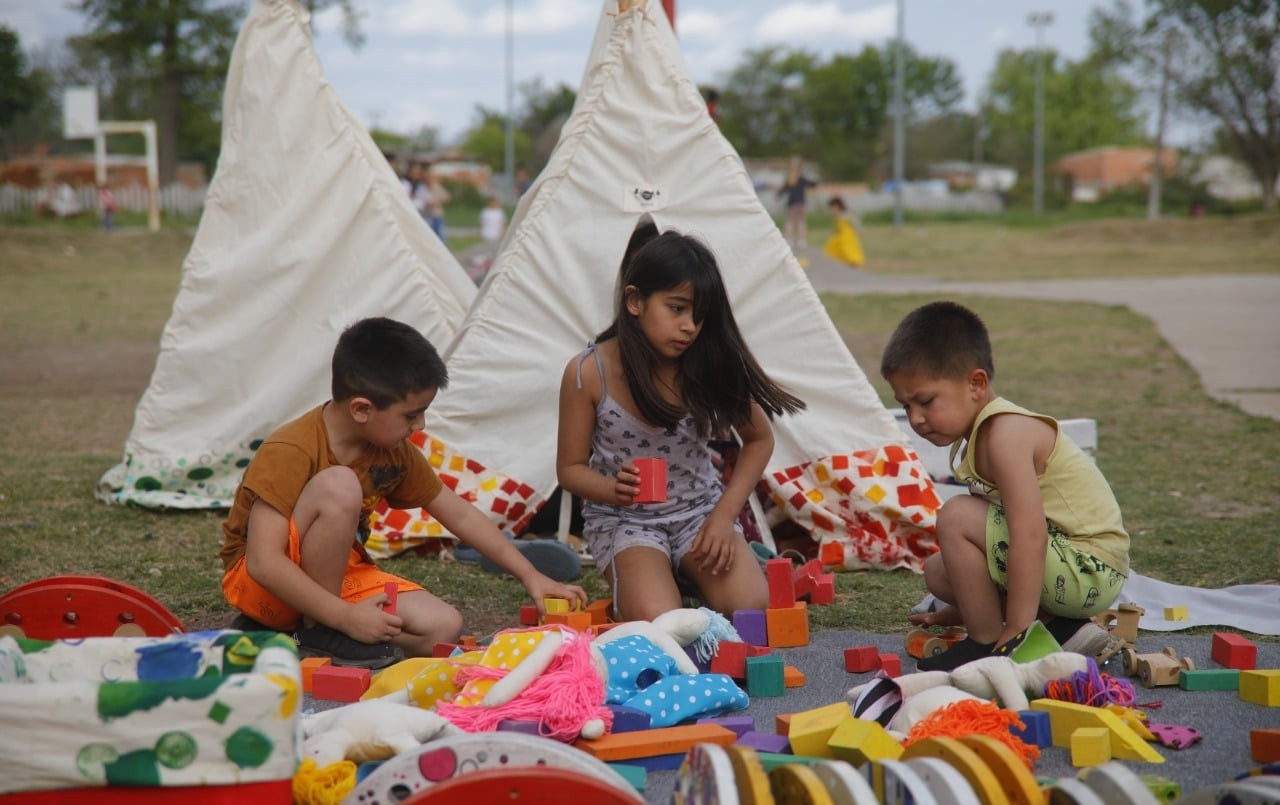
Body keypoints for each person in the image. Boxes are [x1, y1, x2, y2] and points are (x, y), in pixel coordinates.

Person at [220, 317, 587, 668]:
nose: (420, 426)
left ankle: (295, 635)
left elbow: (458, 514)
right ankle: (319, 628)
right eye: (411, 415)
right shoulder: (291, 449)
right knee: (340, 484)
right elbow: (263, 563)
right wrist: (346, 617)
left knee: (442, 627)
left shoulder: (393, 452)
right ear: (362, 409)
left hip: (331, 577)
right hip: (260, 583)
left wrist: (530, 575)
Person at [556, 226, 807, 623]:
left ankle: (688, 574)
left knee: (751, 609)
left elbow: (759, 439)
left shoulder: (706, 363)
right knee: (661, 622)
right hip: (626, 522)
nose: (690, 326)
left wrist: (724, 518)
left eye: (699, 315)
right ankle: (661, 579)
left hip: (699, 514)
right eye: (677, 308)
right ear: (635, 301)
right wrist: (613, 490)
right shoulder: (589, 373)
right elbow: (569, 470)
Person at [880, 301, 1130, 672]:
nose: (915, 419)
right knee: (939, 571)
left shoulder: (1005, 435)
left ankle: (986, 644)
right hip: (1064, 562)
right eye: (905, 405)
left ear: (976, 384)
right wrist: (959, 607)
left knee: (958, 515)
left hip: (1088, 565)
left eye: (926, 401)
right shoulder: (983, 433)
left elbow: (1028, 534)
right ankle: (1063, 630)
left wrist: (1015, 628)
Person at [777, 156, 816, 249]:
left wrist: (779, 194)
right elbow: (812, 184)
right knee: (801, 222)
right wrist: (815, 180)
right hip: (801, 203)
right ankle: (801, 241)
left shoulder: (790, 178)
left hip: (792, 203)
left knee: (790, 221)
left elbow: (783, 189)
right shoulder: (802, 178)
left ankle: (789, 239)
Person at [822, 196, 865, 267]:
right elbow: (837, 227)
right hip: (839, 235)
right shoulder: (836, 215)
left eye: (832, 208)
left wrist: (859, 229)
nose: (831, 210)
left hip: (847, 235)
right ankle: (838, 261)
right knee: (832, 247)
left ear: (837, 206)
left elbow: (854, 222)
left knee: (848, 249)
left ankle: (854, 261)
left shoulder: (846, 214)